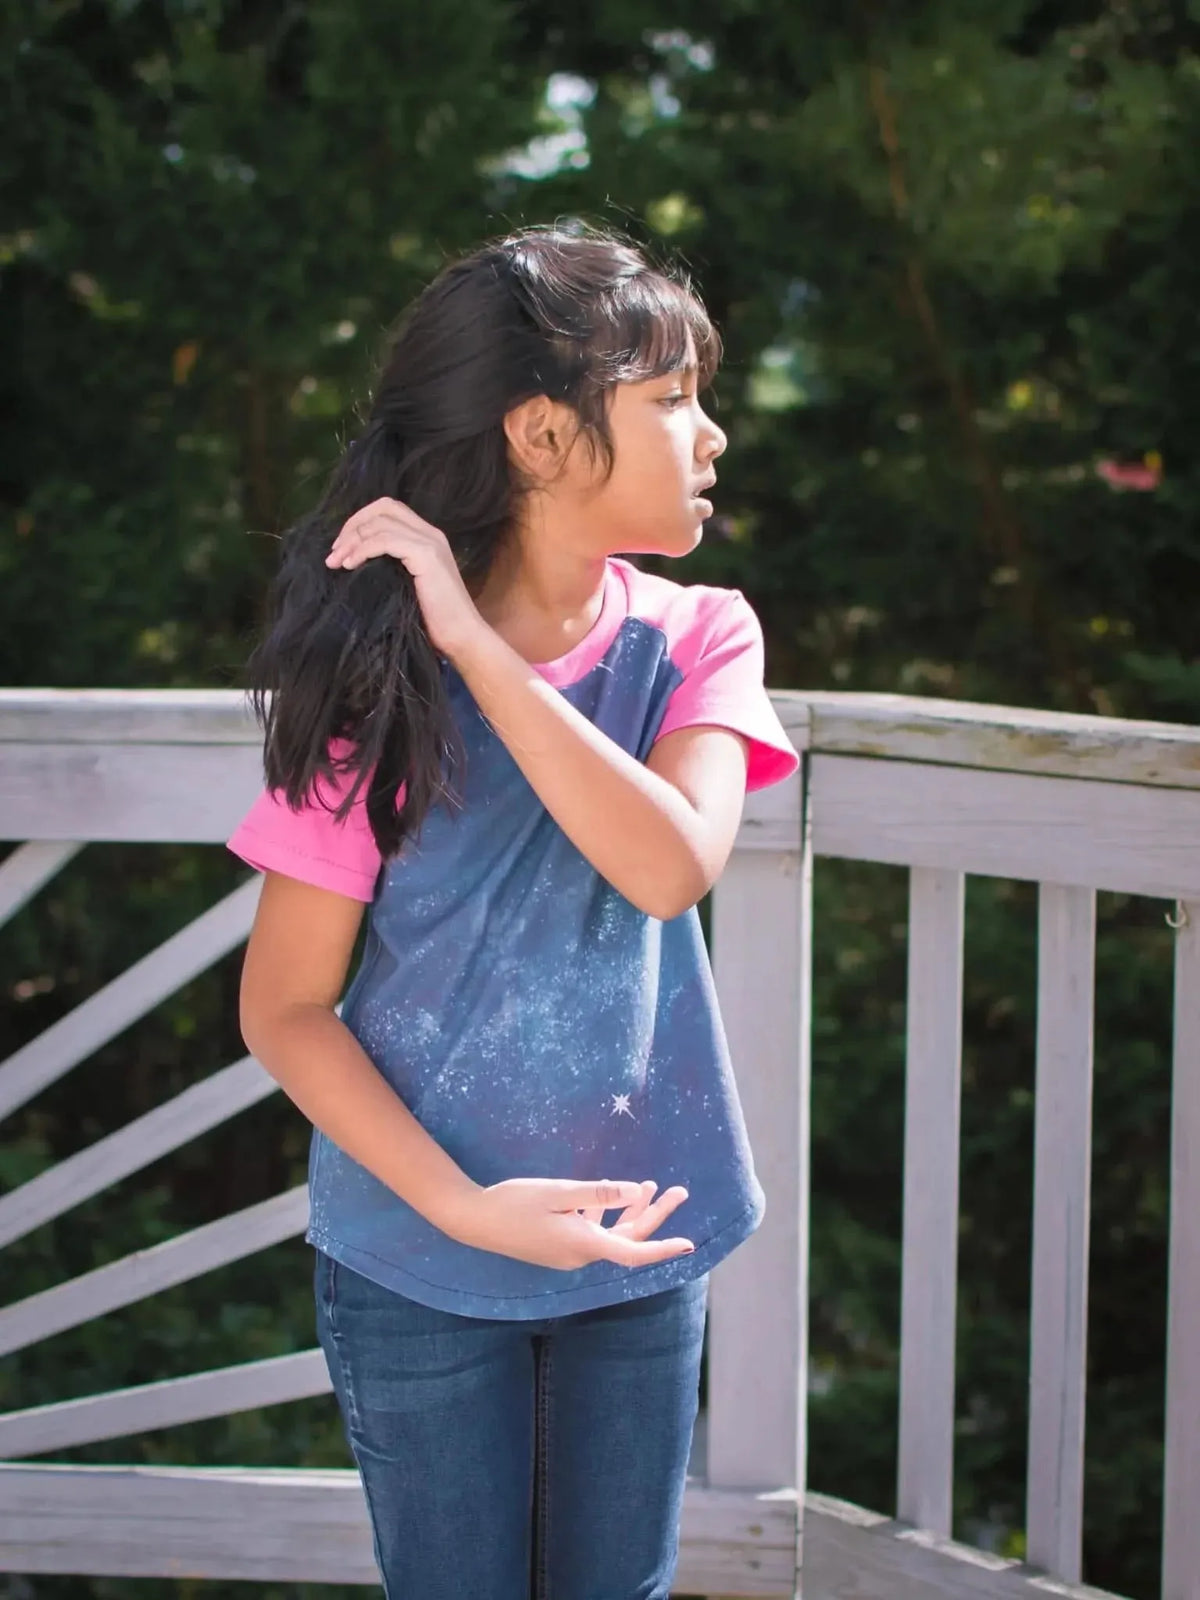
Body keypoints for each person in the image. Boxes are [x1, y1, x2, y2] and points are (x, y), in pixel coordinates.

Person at [227, 221, 800, 1600]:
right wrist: (469, 1209)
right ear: (543, 437)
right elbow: (284, 1007)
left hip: (641, 1240)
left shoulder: (700, 639)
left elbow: (667, 863)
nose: (713, 434)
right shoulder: (375, 681)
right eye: (671, 400)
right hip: (417, 1257)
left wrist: (476, 647)